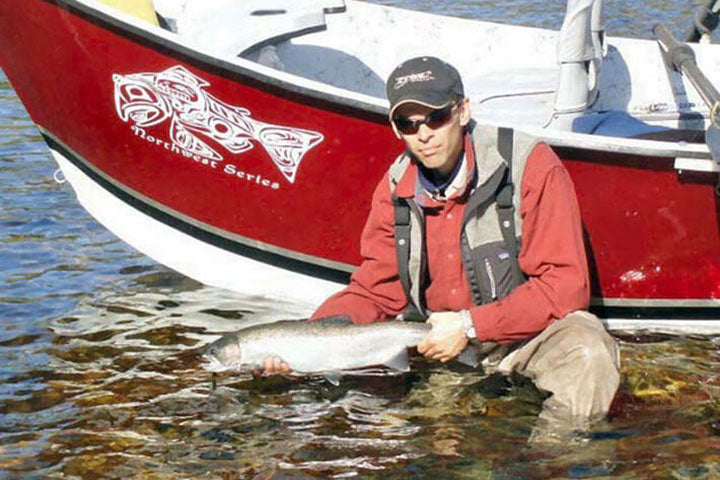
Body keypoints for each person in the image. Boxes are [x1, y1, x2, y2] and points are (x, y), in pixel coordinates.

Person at [264, 56, 620, 436]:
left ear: (463, 111)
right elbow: (374, 292)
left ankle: (556, 457)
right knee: (422, 441)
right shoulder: (395, 189)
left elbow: (565, 287)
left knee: (588, 349)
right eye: (408, 124)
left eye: (436, 117)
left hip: (525, 335)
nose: (424, 134)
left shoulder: (528, 165)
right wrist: (306, 338)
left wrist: (470, 326)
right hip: (437, 349)